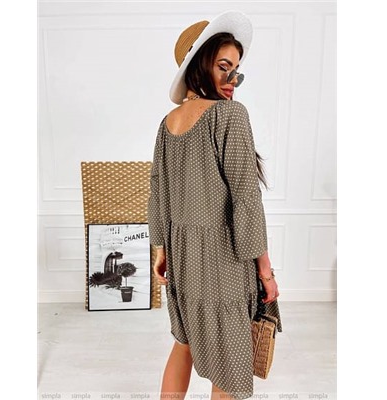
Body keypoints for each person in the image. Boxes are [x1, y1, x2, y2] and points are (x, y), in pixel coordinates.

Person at [148, 11, 282, 400]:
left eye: (237, 71)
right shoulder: (229, 115)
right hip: (223, 261)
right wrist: (265, 271)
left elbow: (157, 192)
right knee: (230, 360)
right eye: (224, 67)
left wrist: (162, 250)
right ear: (199, 65)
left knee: (185, 343)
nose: (232, 80)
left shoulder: (169, 123)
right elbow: (246, 198)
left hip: (183, 258)